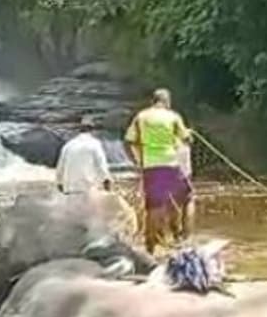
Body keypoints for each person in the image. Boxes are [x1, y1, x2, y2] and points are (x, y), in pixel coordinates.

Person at [124, 88, 193, 253]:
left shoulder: (141, 117)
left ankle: (150, 246)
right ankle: (185, 239)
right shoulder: (173, 117)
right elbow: (186, 139)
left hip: (150, 166)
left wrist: (137, 160)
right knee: (187, 199)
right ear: (167, 102)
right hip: (171, 164)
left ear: (153, 101)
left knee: (153, 207)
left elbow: (129, 141)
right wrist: (189, 135)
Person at [56, 116, 112, 195]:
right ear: (92, 130)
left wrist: (59, 182)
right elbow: (101, 164)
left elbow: (60, 166)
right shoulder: (95, 144)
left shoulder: (68, 145)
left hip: (69, 189)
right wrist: (106, 180)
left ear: (79, 130)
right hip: (87, 188)